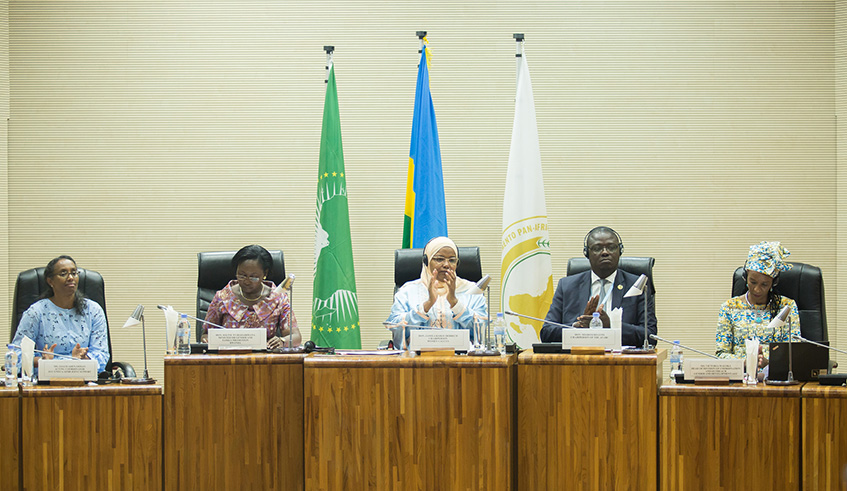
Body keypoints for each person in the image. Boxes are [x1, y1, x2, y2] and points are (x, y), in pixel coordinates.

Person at [540, 226, 657, 347]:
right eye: (597, 248)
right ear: (587, 253)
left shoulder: (637, 285)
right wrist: (578, 328)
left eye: (611, 247)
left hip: (621, 357)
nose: (605, 252)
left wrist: (611, 326)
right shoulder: (567, 286)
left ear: (620, 251)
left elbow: (650, 336)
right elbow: (547, 333)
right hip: (579, 356)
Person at [12, 255, 109, 372]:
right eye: (63, 274)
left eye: (74, 273)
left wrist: (83, 358)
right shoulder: (36, 312)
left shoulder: (93, 310)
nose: (71, 278)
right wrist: (42, 361)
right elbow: (16, 355)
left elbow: (102, 354)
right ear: (50, 281)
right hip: (46, 380)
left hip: (84, 378)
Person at [716, 241, 799, 368]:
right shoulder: (729, 307)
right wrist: (746, 362)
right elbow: (721, 354)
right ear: (745, 277)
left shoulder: (787, 307)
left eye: (764, 284)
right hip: (740, 375)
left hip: (776, 375)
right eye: (753, 282)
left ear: (773, 283)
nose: (757, 290)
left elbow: (794, 352)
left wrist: (769, 363)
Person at [386, 237, 487, 340]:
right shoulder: (407, 291)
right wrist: (427, 305)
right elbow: (395, 328)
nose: (446, 265)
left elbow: (481, 331)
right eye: (439, 259)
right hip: (418, 350)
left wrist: (455, 303)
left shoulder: (471, 291)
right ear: (427, 261)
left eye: (452, 260)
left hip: (461, 350)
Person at [202, 245, 300, 349]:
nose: (247, 281)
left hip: (264, 356)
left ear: (265, 273)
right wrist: (207, 340)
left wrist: (282, 341)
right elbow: (206, 334)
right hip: (229, 356)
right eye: (242, 275)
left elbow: (296, 336)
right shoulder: (223, 297)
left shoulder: (277, 298)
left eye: (254, 277)